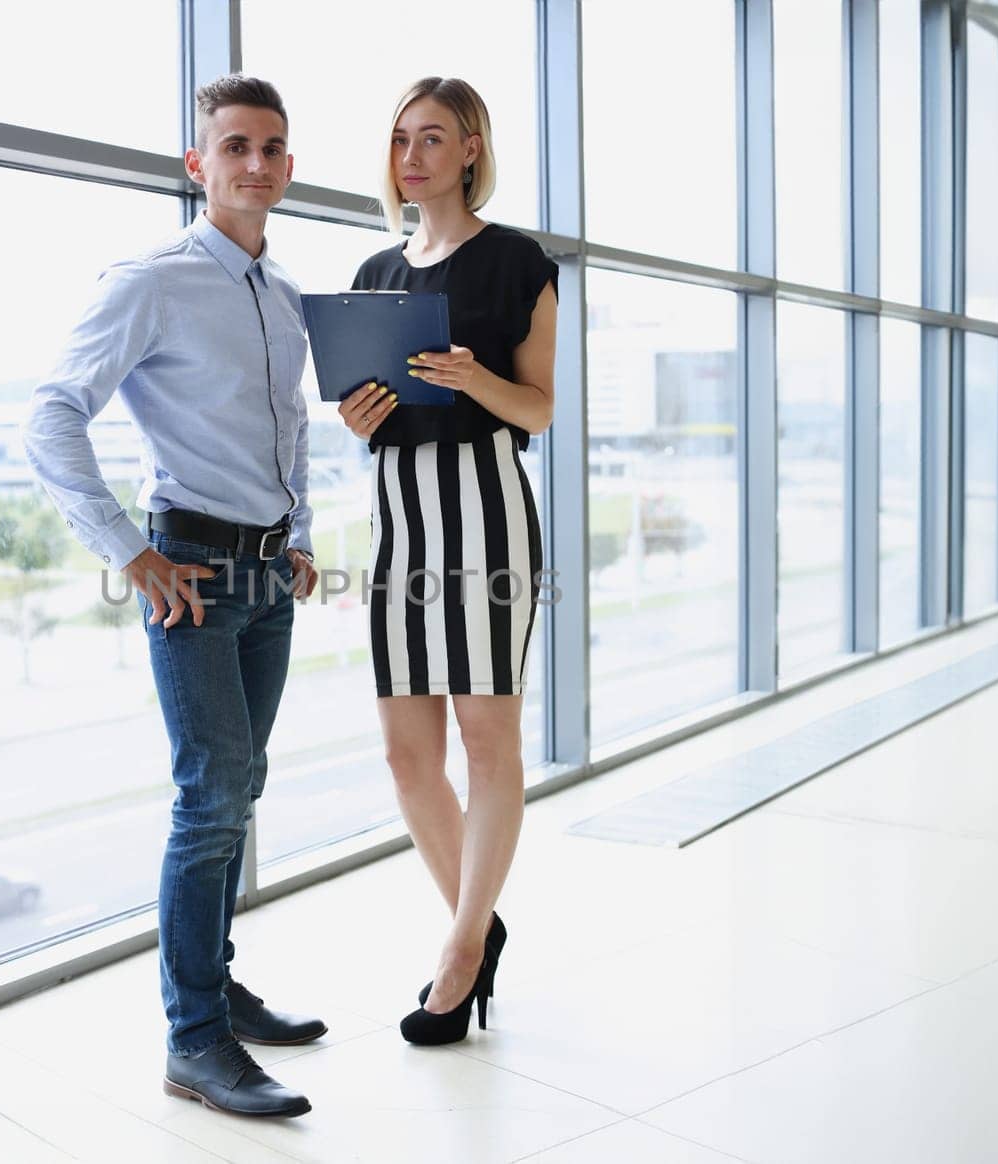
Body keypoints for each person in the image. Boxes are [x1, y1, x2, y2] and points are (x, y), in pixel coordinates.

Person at [21, 74, 324, 1119]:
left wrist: (300, 536)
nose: (254, 163)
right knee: (209, 798)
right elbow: (51, 416)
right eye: (233, 146)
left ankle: (219, 987)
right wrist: (127, 551)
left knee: (242, 786)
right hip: (188, 568)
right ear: (198, 166)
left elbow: (283, 426)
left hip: (266, 572)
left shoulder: (283, 295)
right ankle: (194, 1041)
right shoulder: (149, 279)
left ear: (287, 167)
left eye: (271, 147)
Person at [338, 76, 557, 1046]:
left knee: (486, 741)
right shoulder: (375, 270)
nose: (412, 155)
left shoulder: (516, 261)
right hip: (398, 516)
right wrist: (356, 417)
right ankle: (480, 920)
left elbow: (539, 410)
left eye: (432, 137)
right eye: (399, 139)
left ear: (471, 148)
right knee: (405, 753)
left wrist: (480, 379)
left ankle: (459, 953)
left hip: (485, 508)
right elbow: (369, 408)